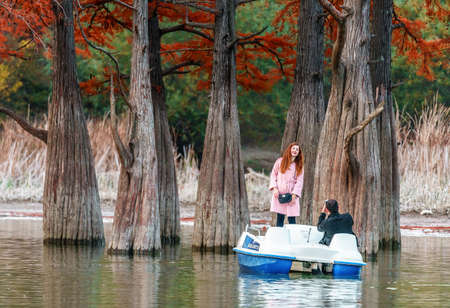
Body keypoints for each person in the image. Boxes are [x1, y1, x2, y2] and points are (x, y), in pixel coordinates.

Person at [269, 142, 304, 227]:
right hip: (280, 193)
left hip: (291, 195)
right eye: (293, 148)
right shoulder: (280, 161)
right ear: (290, 149)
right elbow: (273, 174)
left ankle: (294, 238)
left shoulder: (299, 165)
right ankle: (279, 237)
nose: (295, 150)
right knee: (280, 217)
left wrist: (294, 195)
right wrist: (275, 188)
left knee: (292, 219)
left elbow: (299, 181)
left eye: (297, 149)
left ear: (299, 152)